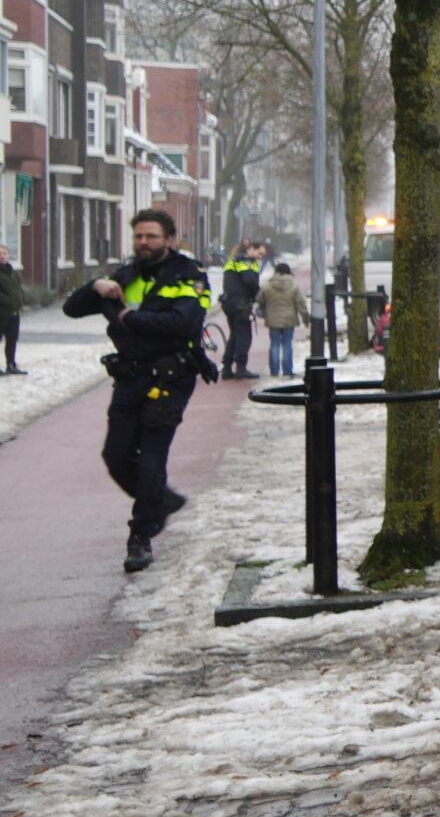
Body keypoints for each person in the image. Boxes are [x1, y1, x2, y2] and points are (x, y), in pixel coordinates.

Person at [63, 209, 214, 573]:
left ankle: (140, 536)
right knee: (115, 456)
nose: (144, 243)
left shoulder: (190, 276)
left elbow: (183, 323)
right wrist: (96, 286)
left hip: (170, 378)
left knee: (150, 460)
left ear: (169, 240)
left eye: (151, 236)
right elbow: (72, 309)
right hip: (130, 377)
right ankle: (159, 501)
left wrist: (130, 318)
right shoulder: (126, 275)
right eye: (139, 237)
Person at [217, 239, 263, 380]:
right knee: (244, 336)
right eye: (259, 253)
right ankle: (241, 368)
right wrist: (258, 295)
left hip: (229, 302)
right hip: (240, 303)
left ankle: (227, 368)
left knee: (234, 336)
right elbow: (249, 280)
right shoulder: (245, 261)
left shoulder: (232, 261)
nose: (260, 257)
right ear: (250, 249)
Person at [258, 262, 311, 377]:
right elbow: (301, 304)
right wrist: (306, 319)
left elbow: (259, 299)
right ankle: (287, 370)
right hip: (289, 319)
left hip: (273, 319)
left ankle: (274, 371)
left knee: (274, 344)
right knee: (287, 344)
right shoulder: (294, 286)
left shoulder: (268, 285)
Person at [0, 243, 29, 374]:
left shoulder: (13, 272)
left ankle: (11, 365)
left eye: (4, 253)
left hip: (14, 313)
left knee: (12, 340)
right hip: (2, 312)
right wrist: (9, 302)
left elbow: (18, 289)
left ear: (8, 255)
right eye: (0, 254)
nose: (2, 256)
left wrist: (21, 299)